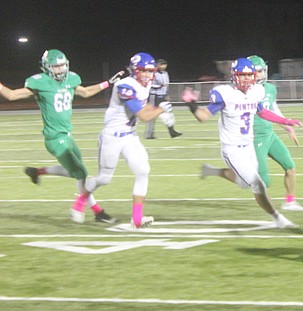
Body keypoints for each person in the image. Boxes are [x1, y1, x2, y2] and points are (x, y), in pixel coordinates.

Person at [0, 49, 124, 223]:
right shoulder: (40, 83)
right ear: (47, 68)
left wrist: (107, 83)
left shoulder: (71, 79)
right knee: (81, 172)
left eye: (62, 65)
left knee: (75, 171)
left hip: (67, 135)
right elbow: (11, 95)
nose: (60, 70)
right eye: (56, 66)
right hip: (54, 138)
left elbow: (86, 92)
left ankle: (37, 171)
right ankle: (96, 212)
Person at [184, 57, 302, 229]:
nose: (247, 78)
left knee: (243, 183)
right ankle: (277, 218)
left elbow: (262, 112)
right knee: (258, 184)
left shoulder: (256, 92)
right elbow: (203, 116)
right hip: (232, 149)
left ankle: (211, 170)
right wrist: (192, 105)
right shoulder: (226, 94)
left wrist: (285, 121)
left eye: (249, 75)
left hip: (248, 147)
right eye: (242, 75)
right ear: (234, 76)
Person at [80, 52, 171, 229]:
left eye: (150, 71)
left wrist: (160, 112)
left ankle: (136, 218)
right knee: (104, 179)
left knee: (143, 170)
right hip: (112, 137)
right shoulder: (124, 85)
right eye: (143, 71)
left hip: (130, 135)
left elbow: (144, 106)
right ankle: (82, 197)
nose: (147, 75)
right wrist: (160, 111)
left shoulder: (147, 83)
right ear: (135, 71)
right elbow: (143, 115)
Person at [145, 58, 181, 139]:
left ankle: (172, 132)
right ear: (157, 65)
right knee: (152, 115)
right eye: (162, 64)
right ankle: (149, 134)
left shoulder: (165, 73)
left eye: (165, 64)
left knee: (169, 113)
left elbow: (166, 85)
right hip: (154, 96)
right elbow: (149, 84)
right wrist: (158, 86)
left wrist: (167, 94)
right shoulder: (153, 73)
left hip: (163, 96)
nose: (164, 66)